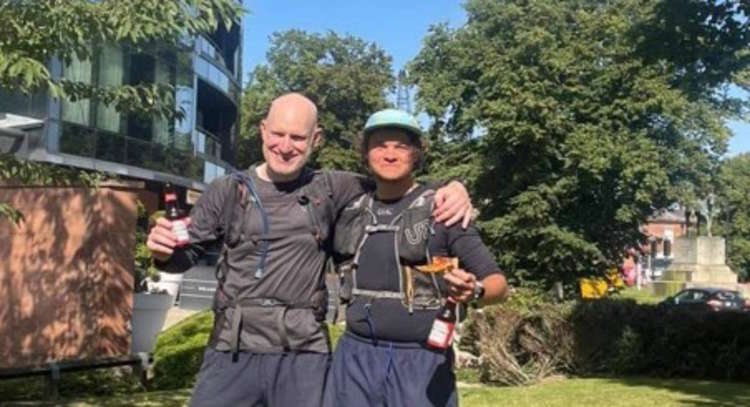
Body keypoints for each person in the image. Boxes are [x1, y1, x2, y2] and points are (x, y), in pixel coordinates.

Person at [146, 93, 474, 407]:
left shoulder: (333, 187)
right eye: (277, 134)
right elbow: (180, 260)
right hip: (232, 351)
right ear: (262, 130)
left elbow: (396, 178)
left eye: (298, 138)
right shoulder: (227, 191)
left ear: (316, 139)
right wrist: (163, 252)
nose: (285, 147)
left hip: (303, 356)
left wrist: (452, 188)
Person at [327, 109, 509, 407]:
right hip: (354, 360)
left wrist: (474, 290)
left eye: (400, 146)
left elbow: (499, 285)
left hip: (421, 362)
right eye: (380, 145)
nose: (389, 154)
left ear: (416, 154)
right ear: (365, 152)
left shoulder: (443, 210)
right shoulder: (348, 209)